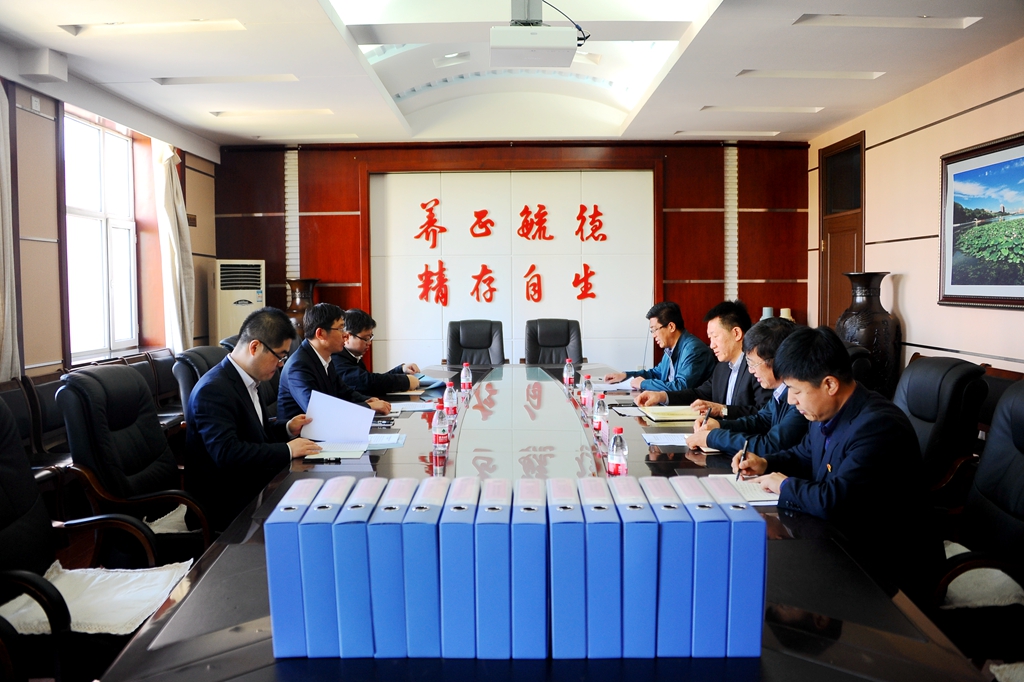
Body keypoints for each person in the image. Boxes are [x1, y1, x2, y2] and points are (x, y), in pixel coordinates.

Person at [733, 326, 943, 604]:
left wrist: (784, 485)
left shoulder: (877, 426)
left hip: (891, 569)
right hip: (844, 543)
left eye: (796, 390)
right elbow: (803, 455)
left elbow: (834, 501)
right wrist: (764, 463)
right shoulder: (826, 412)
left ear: (830, 385)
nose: (791, 400)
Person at [185, 307, 322, 532]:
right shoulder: (213, 390)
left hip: (253, 485)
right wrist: (288, 450)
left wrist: (288, 428)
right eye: (280, 356)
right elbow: (228, 454)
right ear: (255, 347)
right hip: (226, 504)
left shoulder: (247, 380)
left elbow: (253, 431)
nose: (281, 364)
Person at [686, 316, 808, 454]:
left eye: (753, 363)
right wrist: (719, 425)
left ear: (778, 360)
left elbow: (770, 445)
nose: (750, 370)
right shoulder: (780, 391)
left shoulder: (800, 399)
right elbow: (760, 420)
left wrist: (713, 437)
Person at [634, 300, 771, 417]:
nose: (711, 345)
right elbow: (699, 393)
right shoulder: (722, 367)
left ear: (736, 333)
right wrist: (662, 396)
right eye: (710, 338)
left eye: (715, 337)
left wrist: (722, 410)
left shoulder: (757, 368)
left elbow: (764, 413)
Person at [277, 304, 391, 419]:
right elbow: (317, 410)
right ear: (320, 334)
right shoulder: (299, 366)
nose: (345, 335)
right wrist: (368, 407)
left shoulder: (325, 357)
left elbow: (343, 391)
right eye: (341, 329)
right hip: (304, 430)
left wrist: (367, 400)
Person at [602, 301, 716, 392]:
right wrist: (625, 375)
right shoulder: (670, 348)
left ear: (671, 327)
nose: (654, 335)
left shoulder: (693, 349)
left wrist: (643, 383)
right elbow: (656, 373)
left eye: (655, 329)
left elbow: (681, 387)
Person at [332, 308, 421, 398]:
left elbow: (373, 381)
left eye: (370, 338)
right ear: (347, 337)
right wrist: (405, 381)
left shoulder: (353, 356)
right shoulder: (336, 358)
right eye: (366, 338)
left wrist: (401, 370)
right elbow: (366, 382)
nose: (369, 343)